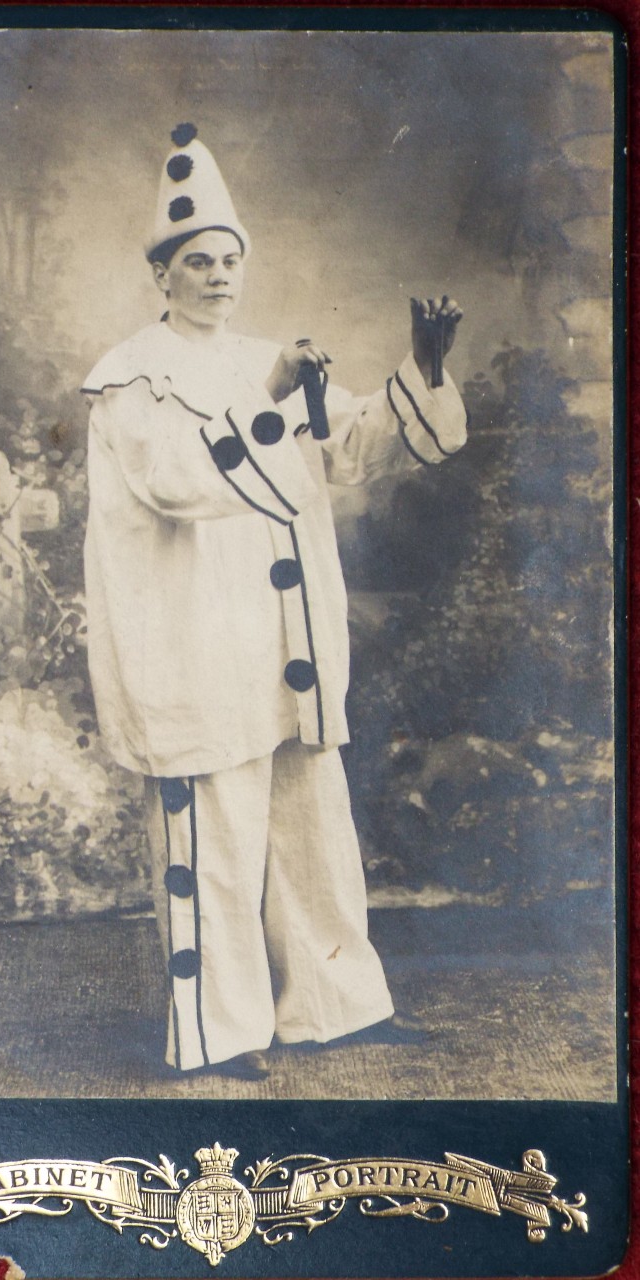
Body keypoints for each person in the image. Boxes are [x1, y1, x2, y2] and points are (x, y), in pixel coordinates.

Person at [81, 124, 467, 1081]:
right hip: (196, 643)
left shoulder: (270, 358)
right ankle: (219, 1033)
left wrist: (418, 376)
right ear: (161, 275)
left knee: (309, 832)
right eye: (197, 262)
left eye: (229, 261)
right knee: (215, 841)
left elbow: (349, 451)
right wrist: (269, 392)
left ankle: (333, 1007)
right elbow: (177, 481)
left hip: (283, 645)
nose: (218, 277)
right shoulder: (131, 377)